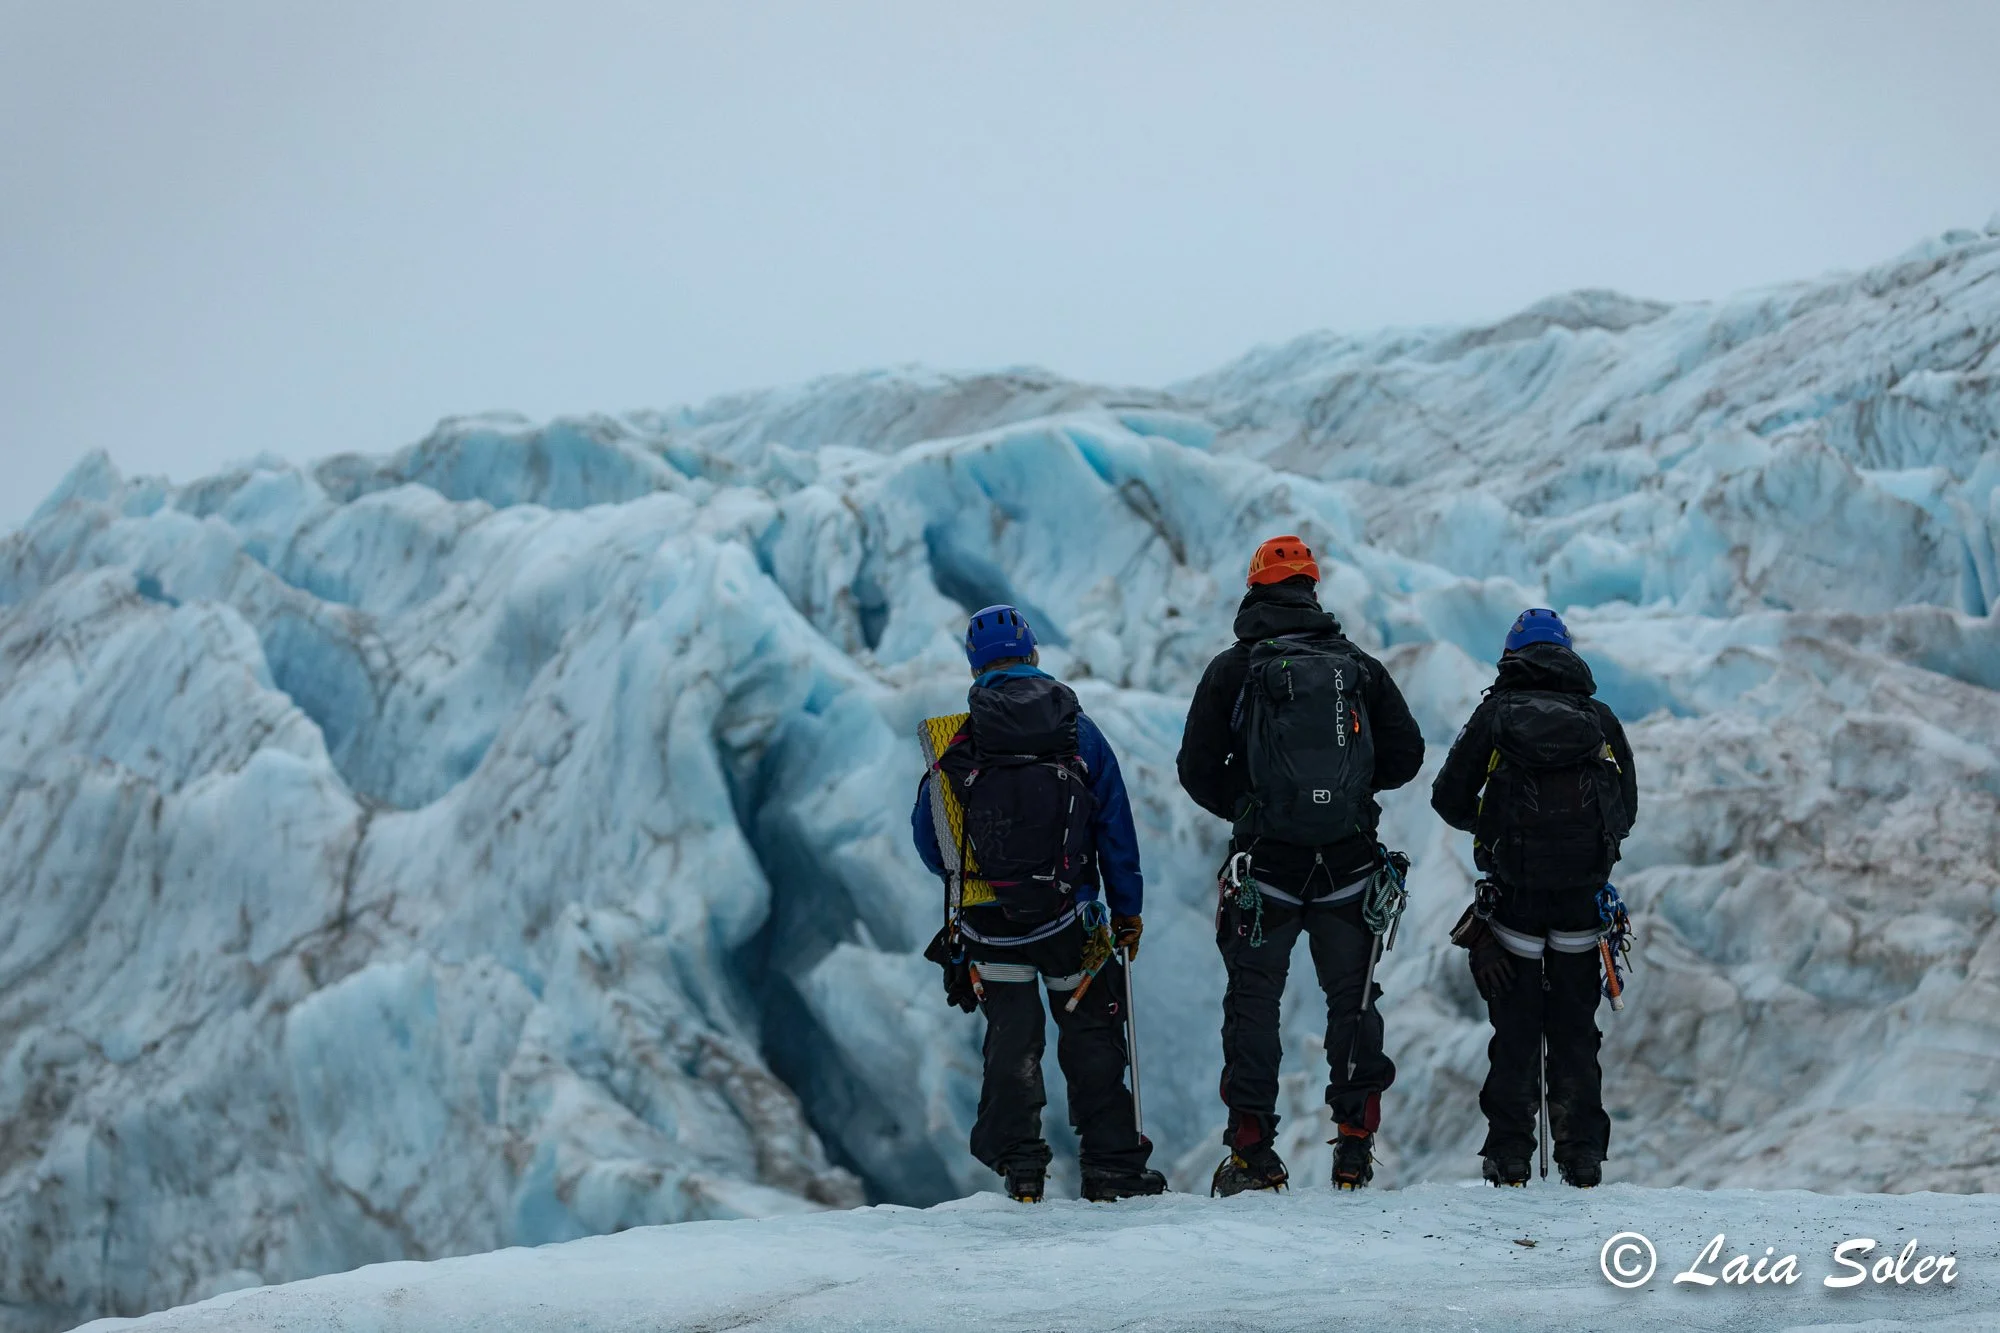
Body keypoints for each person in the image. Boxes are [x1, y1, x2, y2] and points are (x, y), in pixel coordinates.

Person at [1177, 536, 1426, 1195]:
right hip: (1348, 865)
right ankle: (1353, 1145)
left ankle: (1254, 1152)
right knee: (1352, 1000)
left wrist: (1250, 805)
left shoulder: (1233, 671)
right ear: (1313, 591)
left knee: (1254, 1001)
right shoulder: (1358, 667)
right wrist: (1351, 790)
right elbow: (1407, 755)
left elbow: (1195, 769)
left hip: (1267, 871)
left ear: (1255, 590)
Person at [912, 604, 1165, 1203]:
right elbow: (1114, 826)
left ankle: (1022, 1170)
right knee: (1094, 1040)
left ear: (975, 666)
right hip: (1070, 920)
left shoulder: (960, 740)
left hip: (991, 925)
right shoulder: (1077, 730)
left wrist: (983, 883)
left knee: (1012, 1041)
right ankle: (1112, 1169)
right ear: (1033, 654)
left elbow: (933, 842)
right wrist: (1124, 908)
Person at [1431, 608, 1638, 1188]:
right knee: (1576, 1030)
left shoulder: (1495, 716)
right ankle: (1581, 1156)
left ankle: (1511, 1155)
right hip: (1580, 903)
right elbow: (1626, 808)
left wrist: (1492, 831)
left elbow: (1447, 799)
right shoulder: (1597, 718)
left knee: (1515, 1029)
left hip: (1515, 900)